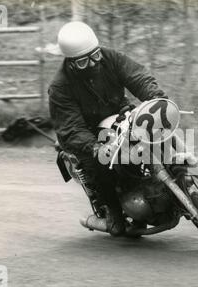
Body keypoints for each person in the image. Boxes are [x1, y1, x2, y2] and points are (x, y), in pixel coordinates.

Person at [48, 21, 168, 236]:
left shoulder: (110, 57)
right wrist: (95, 147)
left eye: (94, 56)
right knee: (100, 164)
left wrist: (157, 99)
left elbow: (137, 76)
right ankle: (113, 215)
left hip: (118, 115)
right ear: (71, 61)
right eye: (84, 61)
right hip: (87, 133)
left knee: (154, 132)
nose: (93, 64)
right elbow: (71, 127)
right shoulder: (60, 87)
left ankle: (175, 174)